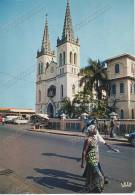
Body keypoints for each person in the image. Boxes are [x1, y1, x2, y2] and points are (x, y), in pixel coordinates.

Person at [81, 125, 104, 193]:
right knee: (99, 176)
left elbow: (95, 149)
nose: (96, 130)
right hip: (91, 160)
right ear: (91, 131)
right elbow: (84, 151)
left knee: (90, 176)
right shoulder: (88, 140)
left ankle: (89, 188)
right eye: (95, 129)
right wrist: (82, 163)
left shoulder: (94, 138)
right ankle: (95, 188)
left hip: (95, 160)